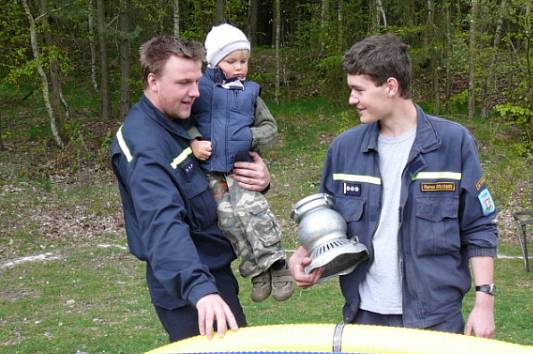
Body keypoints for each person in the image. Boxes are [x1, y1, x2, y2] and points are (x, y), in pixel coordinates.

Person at [289, 33, 498, 338]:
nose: (351, 99)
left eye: (358, 90)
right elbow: (327, 219)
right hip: (364, 318)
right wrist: (303, 253)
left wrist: (484, 303)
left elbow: (479, 227)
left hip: (435, 321)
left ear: (390, 86)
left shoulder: (453, 144)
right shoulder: (343, 150)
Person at [111, 35, 272, 342]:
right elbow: (162, 225)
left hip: (214, 274)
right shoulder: (144, 145)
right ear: (153, 81)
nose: (195, 92)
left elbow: (220, 170)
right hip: (188, 288)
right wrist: (200, 290)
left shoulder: (182, 119)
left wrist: (259, 179)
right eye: (184, 82)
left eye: (197, 81)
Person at [189, 23, 293, 303]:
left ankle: (277, 264)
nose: (239, 68)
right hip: (212, 172)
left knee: (253, 213)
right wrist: (194, 140)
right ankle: (255, 270)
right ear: (214, 60)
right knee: (228, 221)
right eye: (231, 61)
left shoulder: (250, 93)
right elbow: (185, 121)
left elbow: (270, 127)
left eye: (244, 61)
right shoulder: (199, 89)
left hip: (241, 167)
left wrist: (249, 136)